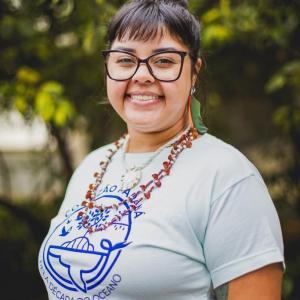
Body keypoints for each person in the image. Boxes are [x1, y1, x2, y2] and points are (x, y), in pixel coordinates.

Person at [38, 0, 284, 299]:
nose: (141, 75)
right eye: (125, 60)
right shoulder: (91, 166)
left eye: (164, 61)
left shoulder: (228, 178)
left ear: (194, 72)